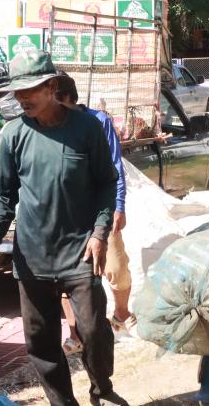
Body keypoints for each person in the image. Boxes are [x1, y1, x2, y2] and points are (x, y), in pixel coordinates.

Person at [0, 52, 127, 406]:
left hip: (81, 251)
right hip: (32, 256)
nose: (22, 98)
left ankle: (101, 388)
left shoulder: (86, 128)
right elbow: (5, 194)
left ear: (52, 86)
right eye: (17, 92)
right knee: (40, 341)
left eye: (29, 89)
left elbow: (106, 183)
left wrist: (100, 233)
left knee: (93, 329)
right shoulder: (14, 135)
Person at [54, 72, 135, 356]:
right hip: (67, 214)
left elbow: (115, 167)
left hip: (101, 208)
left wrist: (119, 205)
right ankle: (75, 333)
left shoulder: (98, 121)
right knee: (66, 276)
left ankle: (121, 314)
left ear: (65, 98)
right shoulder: (47, 126)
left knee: (115, 267)